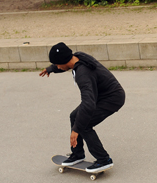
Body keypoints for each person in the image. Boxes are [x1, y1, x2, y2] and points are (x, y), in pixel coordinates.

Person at [40, 42, 126, 173]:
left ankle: (104, 160)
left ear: (64, 61)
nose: (57, 66)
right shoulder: (78, 56)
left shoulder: (83, 74)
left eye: (57, 64)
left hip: (112, 99)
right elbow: (63, 65)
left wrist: (76, 129)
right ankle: (77, 154)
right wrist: (52, 69)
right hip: (101, 95)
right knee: (74, 116)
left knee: (83, 124)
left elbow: (88, 104)